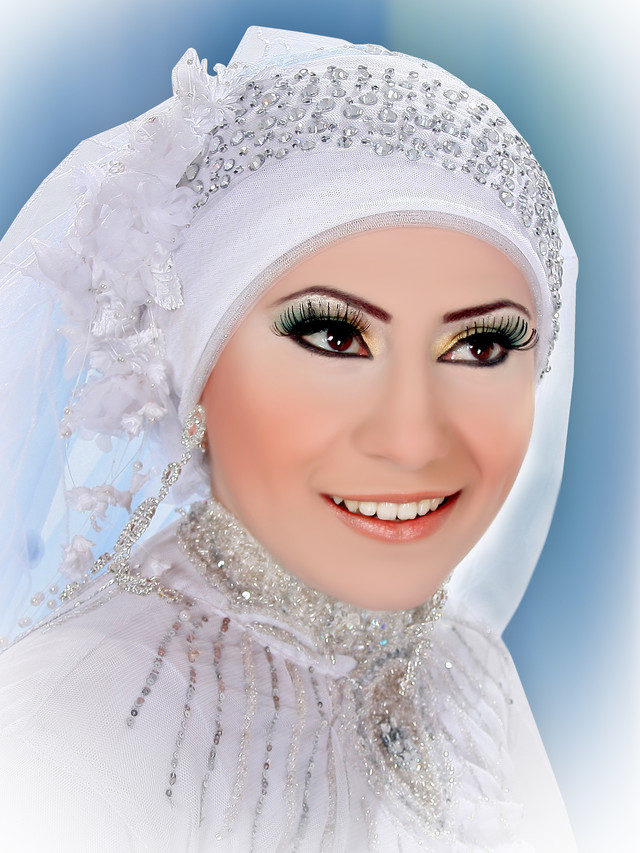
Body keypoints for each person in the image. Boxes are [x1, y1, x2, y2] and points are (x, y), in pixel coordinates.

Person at [0, 26, 578, 852]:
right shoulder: (73, 725)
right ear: (197, 367)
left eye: (482, 345)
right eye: (335, 336)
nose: (412, 439)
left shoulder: (474, 678)